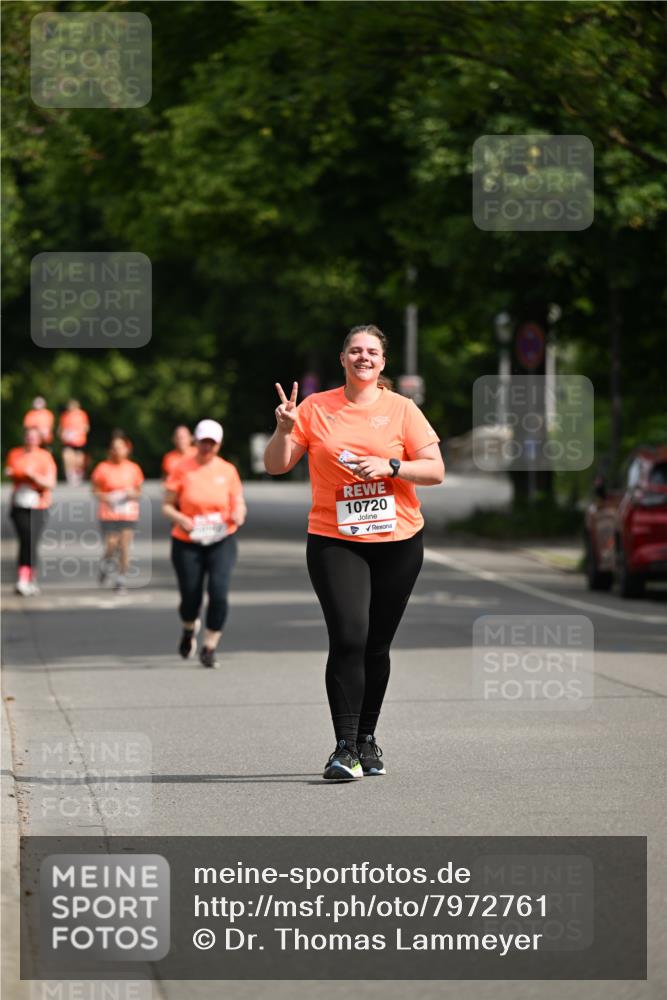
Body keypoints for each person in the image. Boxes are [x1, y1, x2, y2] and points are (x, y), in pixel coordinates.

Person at [264, 324, 444, 781]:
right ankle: (344, 748)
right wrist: (284, 429)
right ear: (342, 359)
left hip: (399, 540)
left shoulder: (402, 410)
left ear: (383, 363)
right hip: (334, 538)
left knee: (377, 645)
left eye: (372, 352)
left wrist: (393, 465)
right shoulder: (314, 407)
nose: (364, 358)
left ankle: (367, 740)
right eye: (355, 351)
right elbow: (277, 464)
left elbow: (436, 470)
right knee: (349, 636)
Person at [162, 419, 246, 669]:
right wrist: (180, 518)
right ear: (195, 442)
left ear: (219, 444)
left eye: (212, 443)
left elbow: (238, 501)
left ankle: (210, 646)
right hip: (188, 540)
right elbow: (167, 506)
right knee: (191, 596)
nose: (207, 447)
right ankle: (189, 629)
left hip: (221, 537)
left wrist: (239, 513)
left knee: (219, 593)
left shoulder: (227, 470)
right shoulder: (181, 469)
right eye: (203, 442)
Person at [5, 426, 57, 596]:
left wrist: (33, 476)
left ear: (39, 439)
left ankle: (29, 576)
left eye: (34, 437)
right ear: (24, 437)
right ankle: (23, 577)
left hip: (38, 504)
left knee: (31, 541)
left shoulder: (45, 457)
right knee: (25, 538)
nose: (30, 440)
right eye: (28, 436)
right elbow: (10, 471)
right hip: (19, 503)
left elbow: (50, 483)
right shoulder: (15, 454)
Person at [90, 433, 144, 594]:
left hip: (128, 512)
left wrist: (130, 494)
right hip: (109, 512)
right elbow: (95, 490)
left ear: (127, 450)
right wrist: (107, 497)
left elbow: (139, 492)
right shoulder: (102, 468)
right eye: (114, 448)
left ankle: (121, 579)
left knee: (125, 545)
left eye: (120, 448)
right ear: (110, 450)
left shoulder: (133, 468)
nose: (117, 451)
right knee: (112, 544)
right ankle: (106, 563)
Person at [58, 399, 90, 485]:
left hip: (79, 441)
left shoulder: (82, 414)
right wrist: (63, 435)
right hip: (68, 441)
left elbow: (86, 427)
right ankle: (70, 474)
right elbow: (61, 428)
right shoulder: (65, 415)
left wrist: (78, 432)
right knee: (67, 456)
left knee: (79, 459)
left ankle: (78, 473)